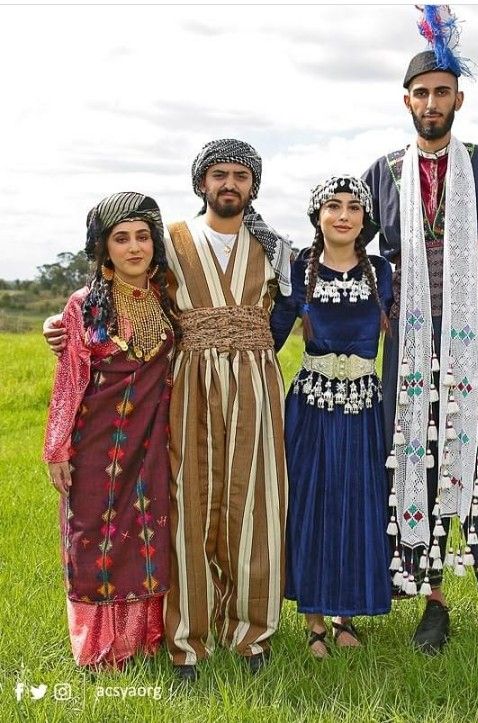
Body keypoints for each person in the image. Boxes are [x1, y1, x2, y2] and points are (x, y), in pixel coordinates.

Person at [43, 139, 293, 681]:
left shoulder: (275, 246)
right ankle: (187, 639)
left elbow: (296, 308)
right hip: (190, 382)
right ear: (201, 181)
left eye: (241, 176)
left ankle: (252, 633)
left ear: (253, 185)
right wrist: (61, 328)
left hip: (254, 379)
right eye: (218, 174)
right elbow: (117, 295)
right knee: (187, 505)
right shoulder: (171, 242)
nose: (230, 184)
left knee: (256, 503)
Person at [361, 7, 478, 654]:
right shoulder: (382, 173)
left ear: (458, 98)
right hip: (407, 337)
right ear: (406, 100)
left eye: (442, 91)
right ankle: (433, 601)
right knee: (419, 454)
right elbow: (342, 250)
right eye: (422, 92)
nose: (432, 102)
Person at [44, 192, 178, 668]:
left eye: (143, 236)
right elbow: (70, 378)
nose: (134, 247)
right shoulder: (83, 306)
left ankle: (144, 639)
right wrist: (57, 447)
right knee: (92, 537)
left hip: (152, 443)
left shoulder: (169, 296)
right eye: (121, 238)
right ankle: (99, 648)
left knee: (146, 533)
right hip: (96, 440)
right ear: (103, 248)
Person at [271, 176, 393, 658]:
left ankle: (348, 616)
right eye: (333, 206)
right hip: (313, 405)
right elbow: (270, 334)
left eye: (353, 208)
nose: (343, 215)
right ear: (317, 215)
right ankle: (315, 622)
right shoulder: (299, 270)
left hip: (365, 406)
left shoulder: (382, 273)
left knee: (360, 503)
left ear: (365, 220)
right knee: (311, 503)